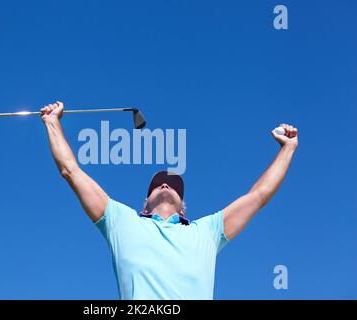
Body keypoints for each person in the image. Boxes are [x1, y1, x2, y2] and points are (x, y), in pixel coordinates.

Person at [41, 101, 299, 300]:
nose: (165, 185)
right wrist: (53, 122)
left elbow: (258, 195)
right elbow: (70, 170)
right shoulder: (120, 220)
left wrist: (288, 149)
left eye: (174, 186)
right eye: (157, 186)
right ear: (144, 204)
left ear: (184, 208)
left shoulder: (207, 231)